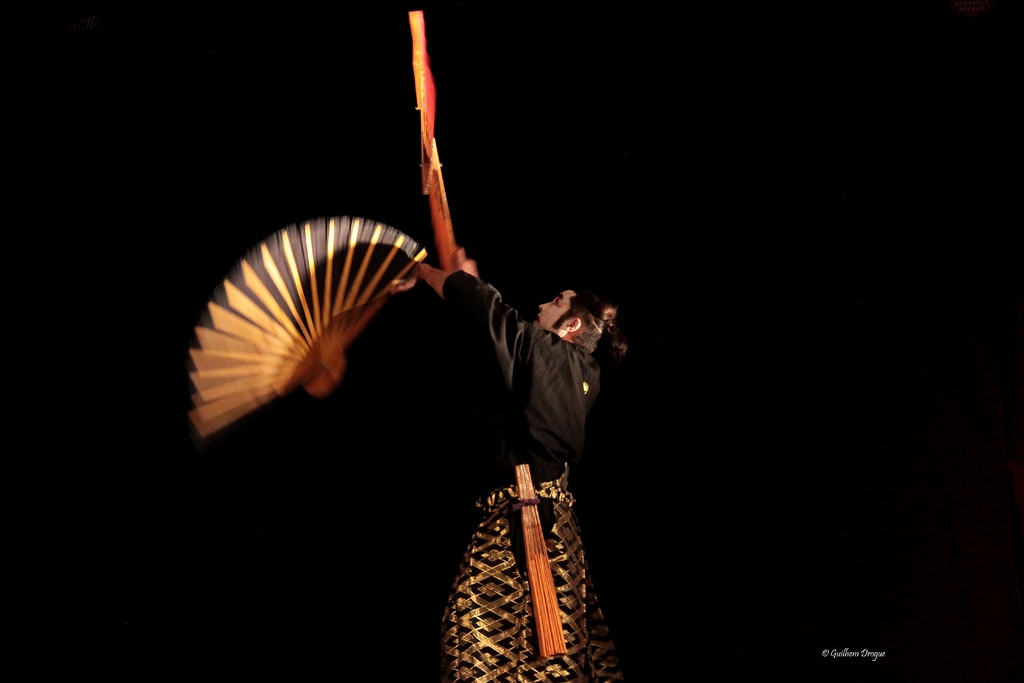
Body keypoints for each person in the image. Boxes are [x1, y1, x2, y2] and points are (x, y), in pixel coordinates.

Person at [416, 250, 626, 682]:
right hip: (546, 526)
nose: (541, 306)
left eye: (555, 302)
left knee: (475, 651)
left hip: (527, 526)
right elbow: (499, 342)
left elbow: (492, 317)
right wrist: (464, 285)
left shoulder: (555, 358)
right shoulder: (578, 373)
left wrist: (425, 272)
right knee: (541, 661)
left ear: (572, 325)